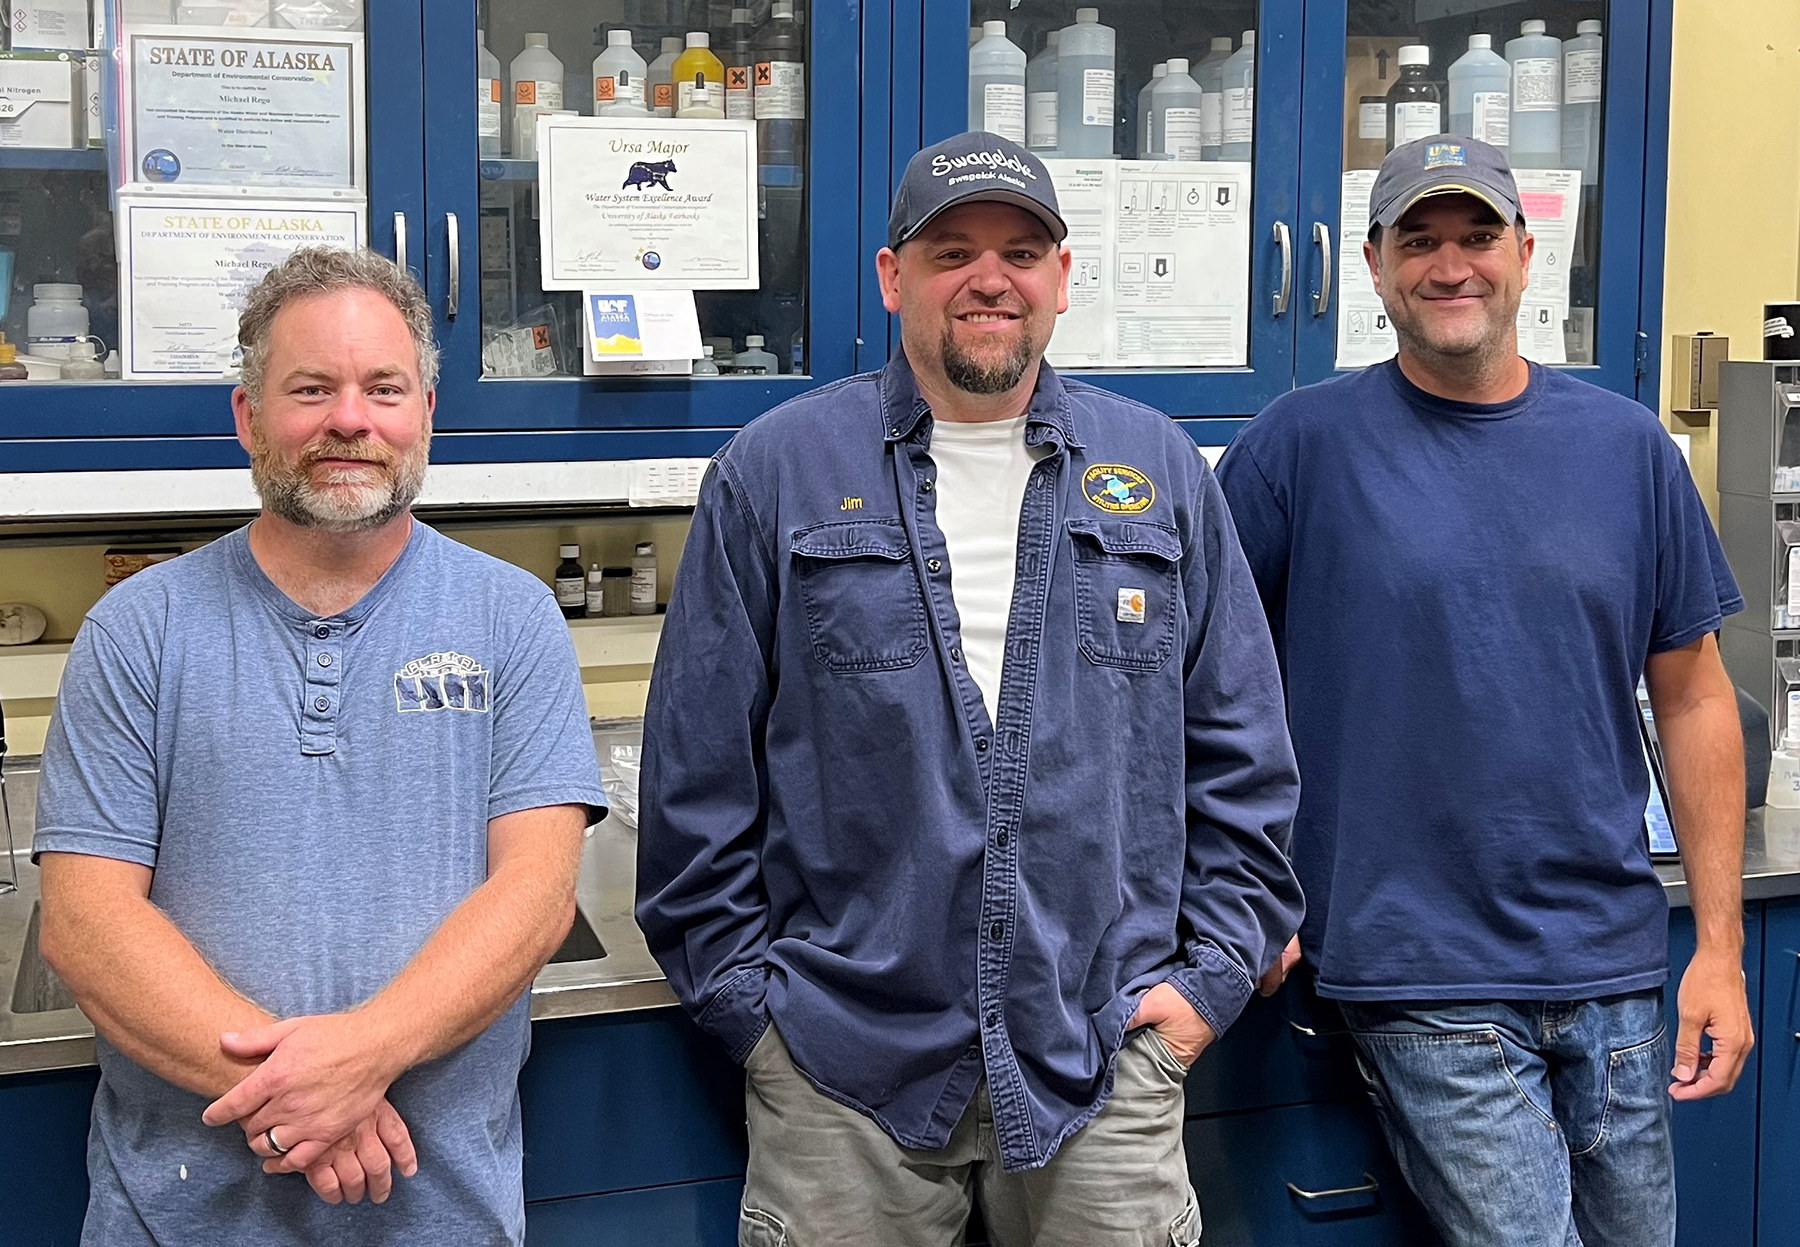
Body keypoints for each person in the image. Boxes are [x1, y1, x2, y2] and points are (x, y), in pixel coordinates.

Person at [635, 131, 1303, 1246]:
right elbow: (695, 779)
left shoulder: (1163, 472)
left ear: (1062, 276)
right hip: (841, 1075)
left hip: (1105, 1063)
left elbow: (1244, 755)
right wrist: (757, 1020)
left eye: (1021, 250)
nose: (990, 278)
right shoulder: (776, 471)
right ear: (896, 276)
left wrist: (1202, 993)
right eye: (953, 252)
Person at [1218, 137, 1752, 1247]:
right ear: (1371, 263)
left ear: (1524, 252)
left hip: (1610, 956)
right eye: (1419, 239)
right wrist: (1242, 890)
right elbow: (1200, 687)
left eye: (1475, 236)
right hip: (1414, 963)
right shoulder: (1299, 446)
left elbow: (1696, 697)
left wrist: (1718, 948)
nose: (1449, 264)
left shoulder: (1629, 449)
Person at [33, 246, 607, 1245]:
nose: (351, 418)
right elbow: (86, 925)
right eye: (311, 389)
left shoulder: (513, 618)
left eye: (384, 388)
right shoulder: (139, 629)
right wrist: (313, 1100)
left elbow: (535, 898)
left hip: (442, 1213)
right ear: (249, 417)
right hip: (176, 1217)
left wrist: (363, 1055)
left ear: (425, 410)